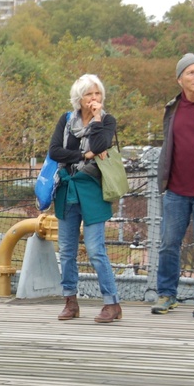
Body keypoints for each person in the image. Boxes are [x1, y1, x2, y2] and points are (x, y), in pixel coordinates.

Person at [49, 74, 122, 323]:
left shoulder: (107, 120)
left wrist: (99, 118)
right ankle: (70, 301)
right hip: (67, 190)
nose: (94, 98)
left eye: (97, 93)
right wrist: (84, 155)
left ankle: (111, 303)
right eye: (89, 94)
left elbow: (102, 144)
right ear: (79, 98)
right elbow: (55, 151)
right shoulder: (67, 120)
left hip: (93, 190)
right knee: (67, 250)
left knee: (95, 249)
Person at [152, 54, 194, 317]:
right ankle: (166, 294)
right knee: (168, 244)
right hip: (175, 190)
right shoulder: (173, 107)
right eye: (191, 73)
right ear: (180, 79)